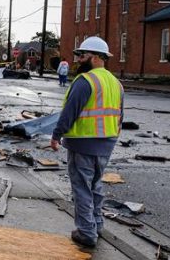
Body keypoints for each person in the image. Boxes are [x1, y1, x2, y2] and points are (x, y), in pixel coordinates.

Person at [50, 36, 123, 249]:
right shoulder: (115, 83)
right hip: (106, 143)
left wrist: (56, 135)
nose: (78, 60)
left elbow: (69, 112)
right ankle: (97, 225)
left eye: (81, 55)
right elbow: (120, 116)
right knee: (95, 186)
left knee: (81, 187)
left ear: (94, 57)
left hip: (83, 142)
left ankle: (86, 232)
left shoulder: (86, 81)